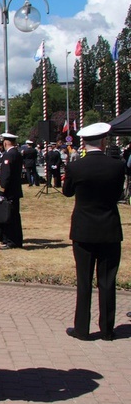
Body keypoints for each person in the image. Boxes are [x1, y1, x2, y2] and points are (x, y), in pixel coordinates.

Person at [63, 123, 125, 341]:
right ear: (103, 141)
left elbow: (67, 192)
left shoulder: (76, 167)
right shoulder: (117, 166)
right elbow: (118, 194)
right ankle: (108, 329)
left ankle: (81, 329)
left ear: (84, 143)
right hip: (109, 228)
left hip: (83, 229)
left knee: (84, 280)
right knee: (107, 281)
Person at [0, 133, 23, 249]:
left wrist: (2, 189)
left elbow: (6, 174)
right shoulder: (16, 153)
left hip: (10, 190)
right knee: (14, 216)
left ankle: (11, 240)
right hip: (15, 189)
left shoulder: (9, 155)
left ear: (5, 142)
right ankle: (13, 239)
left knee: (9, 216)